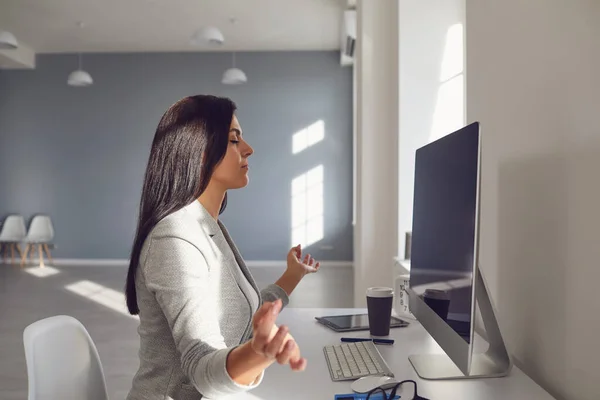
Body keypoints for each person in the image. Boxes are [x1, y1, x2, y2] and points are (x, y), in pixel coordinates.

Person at [125, 95, 321, 400]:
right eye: (234, 140)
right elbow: (201, 366)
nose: (248, 149)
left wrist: (292, 276)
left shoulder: (207, 226)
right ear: (201, 153)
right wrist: (257, 355)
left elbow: (243, 318)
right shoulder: (174, 240)